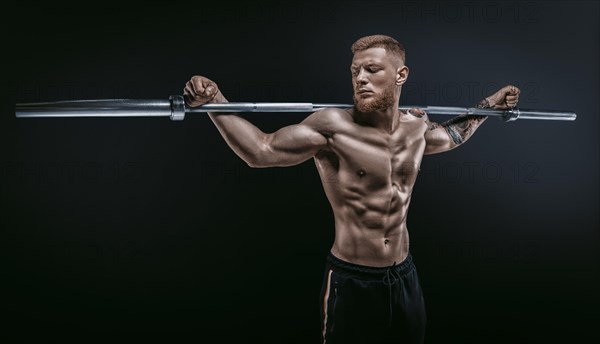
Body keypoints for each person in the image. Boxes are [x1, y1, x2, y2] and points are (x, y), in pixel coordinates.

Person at [183, 35, 519, 344]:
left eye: (372, 70)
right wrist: (216, 102)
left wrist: (489, 106)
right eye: (355, 71)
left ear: (400, 75)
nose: (360, 79)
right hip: (353, 282)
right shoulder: (333, 127)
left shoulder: (416, 127)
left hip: (404, 276)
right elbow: (262, 151)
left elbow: (450, 137)